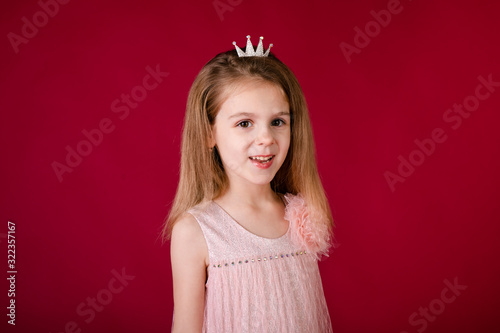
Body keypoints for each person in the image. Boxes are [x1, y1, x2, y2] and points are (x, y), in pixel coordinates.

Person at [162, 35, 336, 332]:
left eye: (278, 121)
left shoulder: (301, 215)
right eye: (245, 123)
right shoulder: (196, 232)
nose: (266, 138)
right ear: (209, 134)